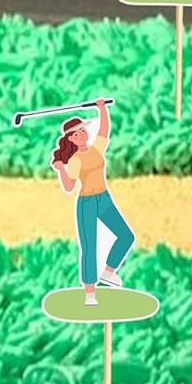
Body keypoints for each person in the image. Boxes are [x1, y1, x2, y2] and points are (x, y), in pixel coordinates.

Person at [50, 98, 134, 306]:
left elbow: (104, 130)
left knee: (126, 236)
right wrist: (61, 169)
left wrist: (102, 108)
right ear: (71, 139)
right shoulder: (75, 160)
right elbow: (69, 186)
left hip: (104, 198)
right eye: (76, 134)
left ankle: (108, 271)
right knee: (90, 248)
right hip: (86, 203)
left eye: (83, 131)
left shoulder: (96, 149)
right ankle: (89, 293)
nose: (81, 135)